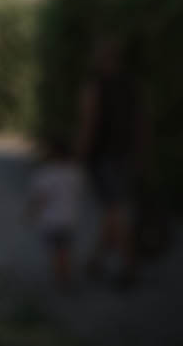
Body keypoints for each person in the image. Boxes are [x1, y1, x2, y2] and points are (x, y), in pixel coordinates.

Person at [76, 36, 146, 289]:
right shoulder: (131, 85)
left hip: (104, 155)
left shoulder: (95, 86)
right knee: (112, 210)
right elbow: (140, 123)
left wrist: (80, 157)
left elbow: (89, 124)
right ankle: (96, 262)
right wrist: (139, 155)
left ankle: (129, 266)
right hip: (125, 154)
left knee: (114, 212)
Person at [27, 137, 82, 292]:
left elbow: (40, 198)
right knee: (65, 249)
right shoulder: (75, 173)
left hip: (52, 220)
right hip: (70, 218)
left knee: (57, 251)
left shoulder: (46, 174)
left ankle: (62, 280)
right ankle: (66, 276)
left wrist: (31, 213)